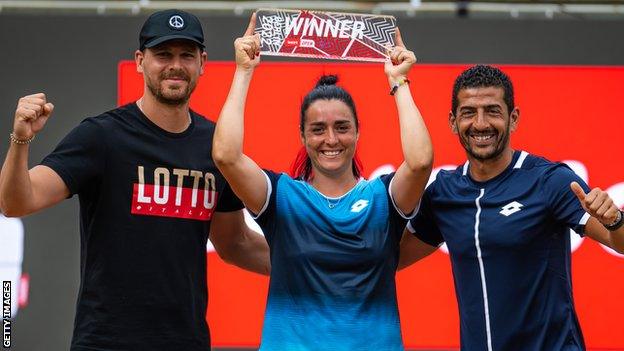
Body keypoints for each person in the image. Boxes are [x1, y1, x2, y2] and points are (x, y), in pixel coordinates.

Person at [0, 9, 269, 351]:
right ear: (141, 61)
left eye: (186, 55)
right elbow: (15, 202)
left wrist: (321, 263)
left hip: (186, 342)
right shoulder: (102, 137)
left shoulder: (216, 146)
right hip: (106, 343)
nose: (175, 65)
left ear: (202, 62)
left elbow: (235, 243)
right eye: (163, 54)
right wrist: (20, 141)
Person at [213, 15, 433, 350]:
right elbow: (226, 155)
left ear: (358, 132)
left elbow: (419, 162)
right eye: (318, 129)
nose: (331, 139)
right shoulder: (282, 198)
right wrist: (244, 71)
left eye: (342, 127)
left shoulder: (382, 199)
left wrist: (399, 82)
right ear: (302, 135)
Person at [399, 64, 624, 351]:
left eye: (493, 111)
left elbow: (620, 242)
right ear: (453, 121)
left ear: (513, 118)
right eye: (469, 112)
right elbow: (391, 260)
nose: (481, 124)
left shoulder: (549, 180)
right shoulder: (444, 192)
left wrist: (615, 220)